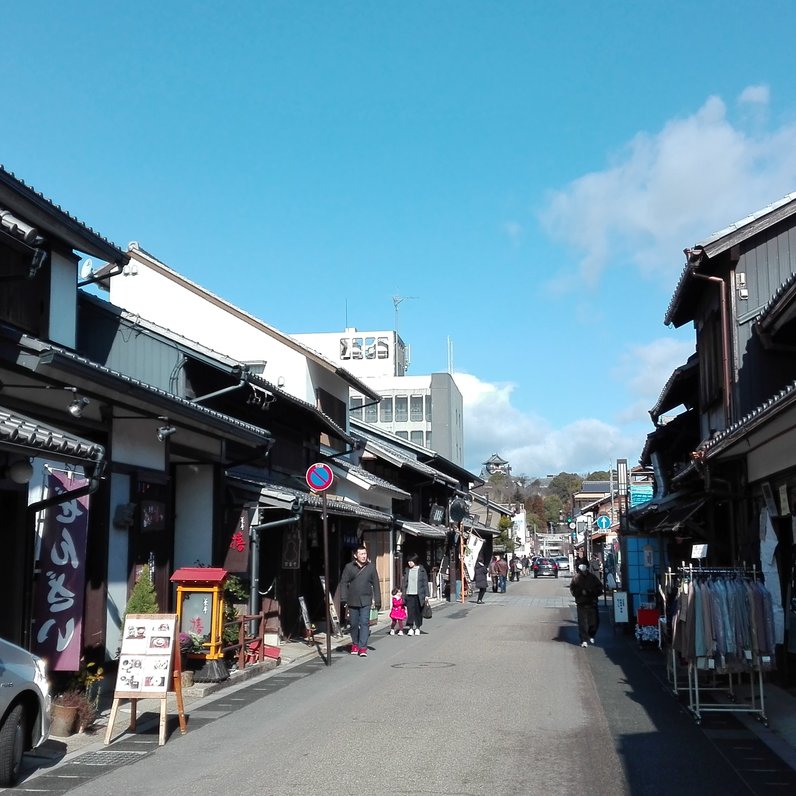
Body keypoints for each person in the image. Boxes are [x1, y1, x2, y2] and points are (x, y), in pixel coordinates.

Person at [340, 544, 382, 657]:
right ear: (355, 555)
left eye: (365, 553)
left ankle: (363, 648)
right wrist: (343, 598)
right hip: (352, 600)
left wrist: (378, 601)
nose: (364, 556)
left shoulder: (371, 567)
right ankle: (355, 643)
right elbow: (343, 583)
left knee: (364, 623)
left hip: (366, 600)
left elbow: (376, 584)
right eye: (361, 554)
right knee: (353, 624)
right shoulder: (349, 567)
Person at [569, 562, 604, 647]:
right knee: (582, 623)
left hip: (592, 602)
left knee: (594, 622)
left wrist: (591, 592)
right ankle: (584, 639)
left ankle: (591, 634)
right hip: (581, 603)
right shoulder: (576, 578)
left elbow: (600, 588)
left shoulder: (592, 577)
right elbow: (572, 589)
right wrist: (580, 592)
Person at [401, 554, 429, 635]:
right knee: (410, 612)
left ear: (415, 561)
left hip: (419, 595)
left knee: (418, 612)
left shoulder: (421, 570)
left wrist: (426, 595)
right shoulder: (407, 570)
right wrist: (403, 594)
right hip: (409, 594)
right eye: (408, 561)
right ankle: (410, 628)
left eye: (411, 561)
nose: (409, 563)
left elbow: (425, 583)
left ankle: (417, 627)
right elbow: (404, 583)